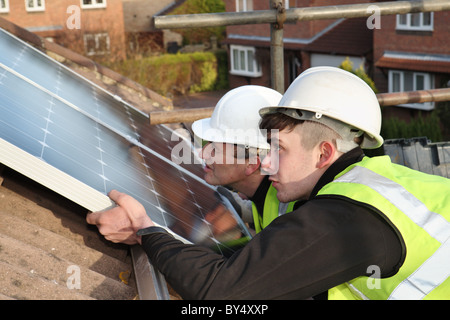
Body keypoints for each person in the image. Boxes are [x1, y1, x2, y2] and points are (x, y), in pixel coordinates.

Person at [87, 67, 450, 299]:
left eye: (279, 148)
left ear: (324, 154)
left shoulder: (348, 215)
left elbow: (222, 293)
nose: (267, 161)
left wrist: (146, 229)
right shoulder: (356, 187)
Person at [191, 85, 295, 233]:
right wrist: (247, 209)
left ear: (252, 164)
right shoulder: (270, 195)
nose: (203, 154)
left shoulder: (287, 220)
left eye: (215, 149)